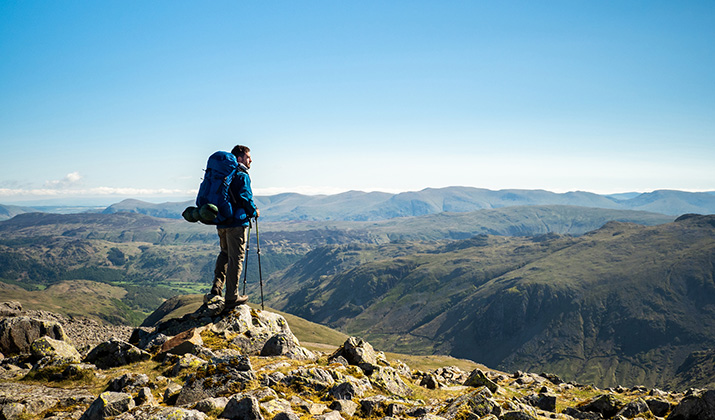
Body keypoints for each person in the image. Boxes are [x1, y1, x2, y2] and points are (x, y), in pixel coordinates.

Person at [210, 145, 260, 311]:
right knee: (236, 258)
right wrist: (254, 211)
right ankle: (231, 296)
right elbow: (245, 197)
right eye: (248, 157)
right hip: (236, 223)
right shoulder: (241, 175)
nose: (250, 160)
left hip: (222, 221)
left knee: (224, 254)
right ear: (239, 158)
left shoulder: (224, 174)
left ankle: (217, 287)